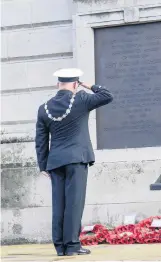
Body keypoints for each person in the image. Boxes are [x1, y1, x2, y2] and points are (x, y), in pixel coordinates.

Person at [35, 68, 113, 256]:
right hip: (77, 160)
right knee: (74, 203)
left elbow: (41, 140)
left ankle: (60, 247)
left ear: (57, 84)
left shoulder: (44, 108)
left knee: (58, 204)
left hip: (55, 162)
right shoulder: (81, 99)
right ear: (75, 84)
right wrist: (88, 85)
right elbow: (107, 95)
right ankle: (72, 245)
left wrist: (43, 164)